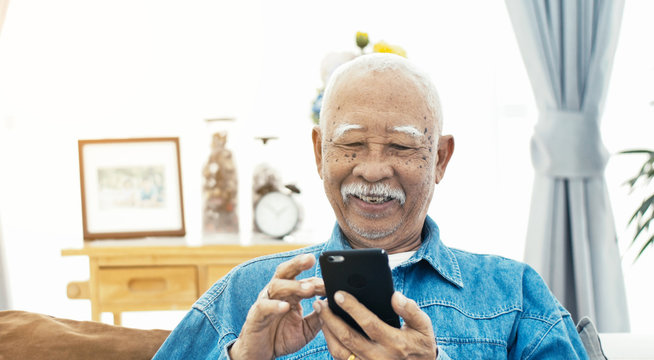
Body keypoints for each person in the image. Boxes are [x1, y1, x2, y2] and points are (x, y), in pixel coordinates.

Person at [153, 53, 588, 359]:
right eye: (352, 144)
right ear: (320, 152)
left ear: (440, 158)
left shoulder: (514, 294)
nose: (374, 169)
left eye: (400, 145)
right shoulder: (248, 294)